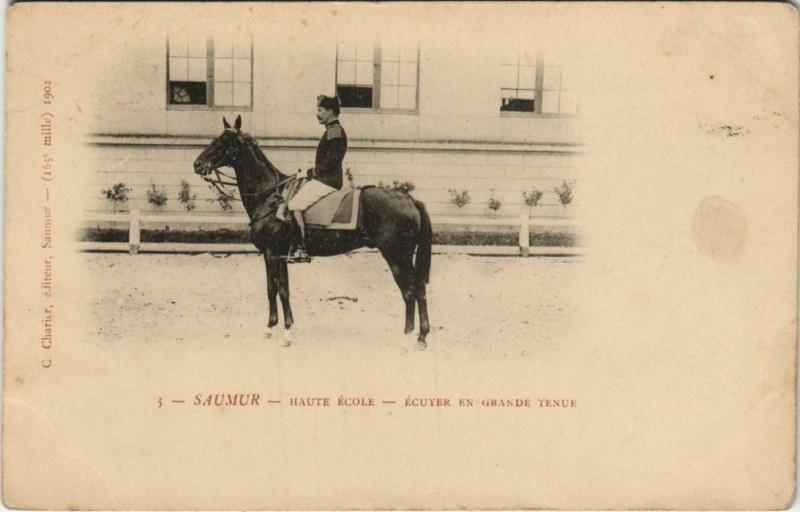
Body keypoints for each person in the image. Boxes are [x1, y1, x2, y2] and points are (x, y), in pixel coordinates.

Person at [285, 95, 348, 262]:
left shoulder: (334, 131)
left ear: (330, 111)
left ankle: (301, 249)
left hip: (328, 181)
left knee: (294, 205)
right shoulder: (331, 129)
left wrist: (309, 173)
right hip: (326, 178)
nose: (317, 114)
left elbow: (331, 162)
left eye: (320, 110)